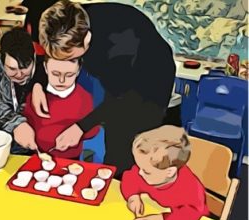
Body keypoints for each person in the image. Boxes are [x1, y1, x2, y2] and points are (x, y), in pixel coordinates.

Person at [21, 0, 176, 178]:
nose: (65, 63)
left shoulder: (114, 50)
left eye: (69, 57)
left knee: (131, 146)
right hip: (122, 72)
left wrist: (81, 127)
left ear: (86, 41)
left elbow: (122, 99)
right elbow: (50, 54)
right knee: (113, 135)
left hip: (152, 79)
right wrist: (39, 83)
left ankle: (129, 186)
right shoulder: (71, 19)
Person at [120, 125, 209, 220]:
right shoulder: (149, 172)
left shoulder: (190, 188)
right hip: (158, 210)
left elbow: (193, 214)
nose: (140, 173)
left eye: (146, 171)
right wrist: (132, 196)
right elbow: (130, 178)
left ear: (170, 172)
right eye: (140, 167)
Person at [23, 55, 99, 159]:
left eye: (69, 75)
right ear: (45, 67)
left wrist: (80, 134)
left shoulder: (85, 98)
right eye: (55, 74)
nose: (61, 80)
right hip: (37, 155)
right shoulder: (35, 97)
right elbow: (26, 121)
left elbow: (94, 129)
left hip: (71, 159)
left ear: (78, 71)